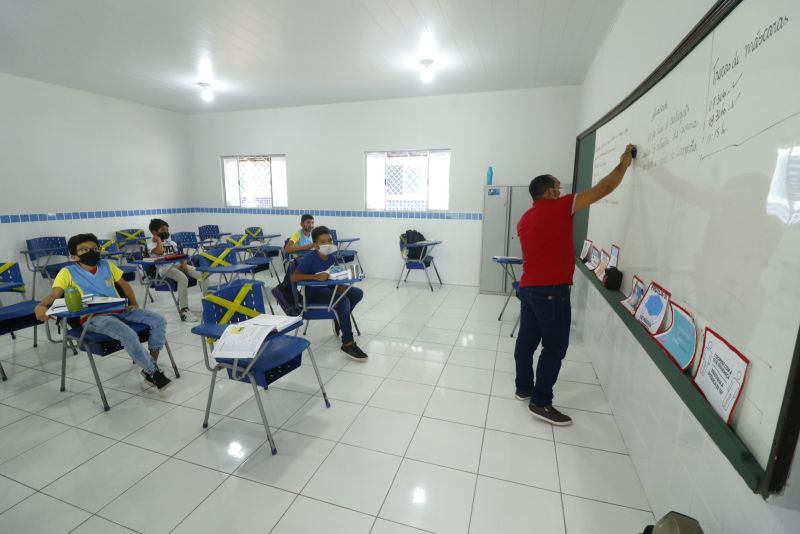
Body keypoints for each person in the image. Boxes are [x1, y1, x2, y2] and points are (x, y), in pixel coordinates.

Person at [514, 144, 634, 425]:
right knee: (554, 348)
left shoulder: (524, 219)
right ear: (549, 193)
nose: (562, 191)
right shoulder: (558, 208)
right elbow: (604, 189)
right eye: (558, 187)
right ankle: (540, 402)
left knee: (527, 341)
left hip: (529, 288)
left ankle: (523, 388)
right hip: (551, 292)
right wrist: (623, 165)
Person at [34, 233, 172, 389]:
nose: (90, 252)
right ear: (74, 257)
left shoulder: (106, 265)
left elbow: (125, 285)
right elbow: (54, 294)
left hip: (121, 309)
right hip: (94, 317)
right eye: (83, 250)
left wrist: (133, 304)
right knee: (127, 333)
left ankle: (149, 368)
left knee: (159, 320)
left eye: (93, 248)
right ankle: (154, 372)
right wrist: (41, 306)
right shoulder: (67, 272)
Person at [291, 226, 368, 361]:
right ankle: (347, 343)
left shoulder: (331, 258)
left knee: (356, 294)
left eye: (329, 240)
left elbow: (335, 274)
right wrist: (316, 277)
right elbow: (294, 277)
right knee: (343, 301)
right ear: (315, 245)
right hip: (314, 294)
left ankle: (340, 318)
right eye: (322, 241)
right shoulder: (310, 258)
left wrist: (343, 286)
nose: (327, 244)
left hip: (329, 290)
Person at [147, 218, 206, 322]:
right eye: (162, 230)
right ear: (154, 232)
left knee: (203, 274)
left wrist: (183, 263)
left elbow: (181, 255)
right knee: (183, 279)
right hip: (164, 269)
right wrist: (159, 240)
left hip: (179, 266)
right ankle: (184, 311)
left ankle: (210, 300)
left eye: (166, 229)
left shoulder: (172, 243)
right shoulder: (151, 245)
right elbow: (160, 252)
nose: (166, 232)